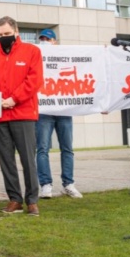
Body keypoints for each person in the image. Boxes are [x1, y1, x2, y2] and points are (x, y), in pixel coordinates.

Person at [0, 16, 43, 216]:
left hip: (23, 113)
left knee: (27, 159)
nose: (4, 37)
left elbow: (34, 80)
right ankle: (14, 199)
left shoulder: (32, 51)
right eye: (0, 35)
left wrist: (14, 99)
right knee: (6, 160)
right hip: (0, 116)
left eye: (7, 34)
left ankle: (32, 201)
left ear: (16, 32)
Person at [35, 28, 82, 199]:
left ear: (55, 41)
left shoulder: (64, 56)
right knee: (42, 149)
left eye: (48, 39)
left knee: (67, 148)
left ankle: (68, 184)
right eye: (42, 39)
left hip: (63, 109)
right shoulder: (35, 56)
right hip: (44, 110)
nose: (44, 41)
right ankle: (45, 184)